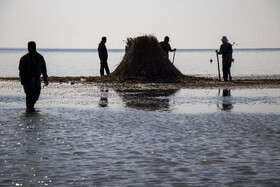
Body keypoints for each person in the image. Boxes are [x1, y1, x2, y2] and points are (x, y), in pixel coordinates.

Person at [19, 41, 48, 112]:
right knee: (29, 96)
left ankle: (31, 109)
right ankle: (29, 110)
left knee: (36, 96)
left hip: (37, 80)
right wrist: (22, 80)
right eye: (28, 47)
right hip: (27, 80)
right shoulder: (24, 58)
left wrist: (45, 79)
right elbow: (21, 70)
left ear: (35, 47)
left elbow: (44, 69)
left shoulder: (40, 57)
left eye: (31, 47)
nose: (29, 48)